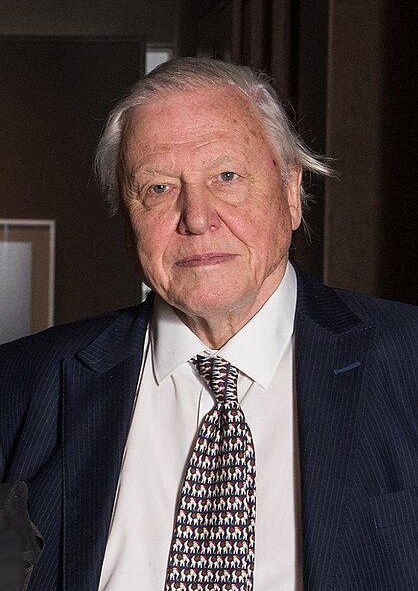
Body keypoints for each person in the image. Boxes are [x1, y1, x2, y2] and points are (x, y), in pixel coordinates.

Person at [0, 57, 417, 591]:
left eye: (226, 176)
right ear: (127, 220)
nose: (196, 217)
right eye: (157, 188)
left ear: (290, 193)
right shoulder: (22, 386)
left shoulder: (408, 363)